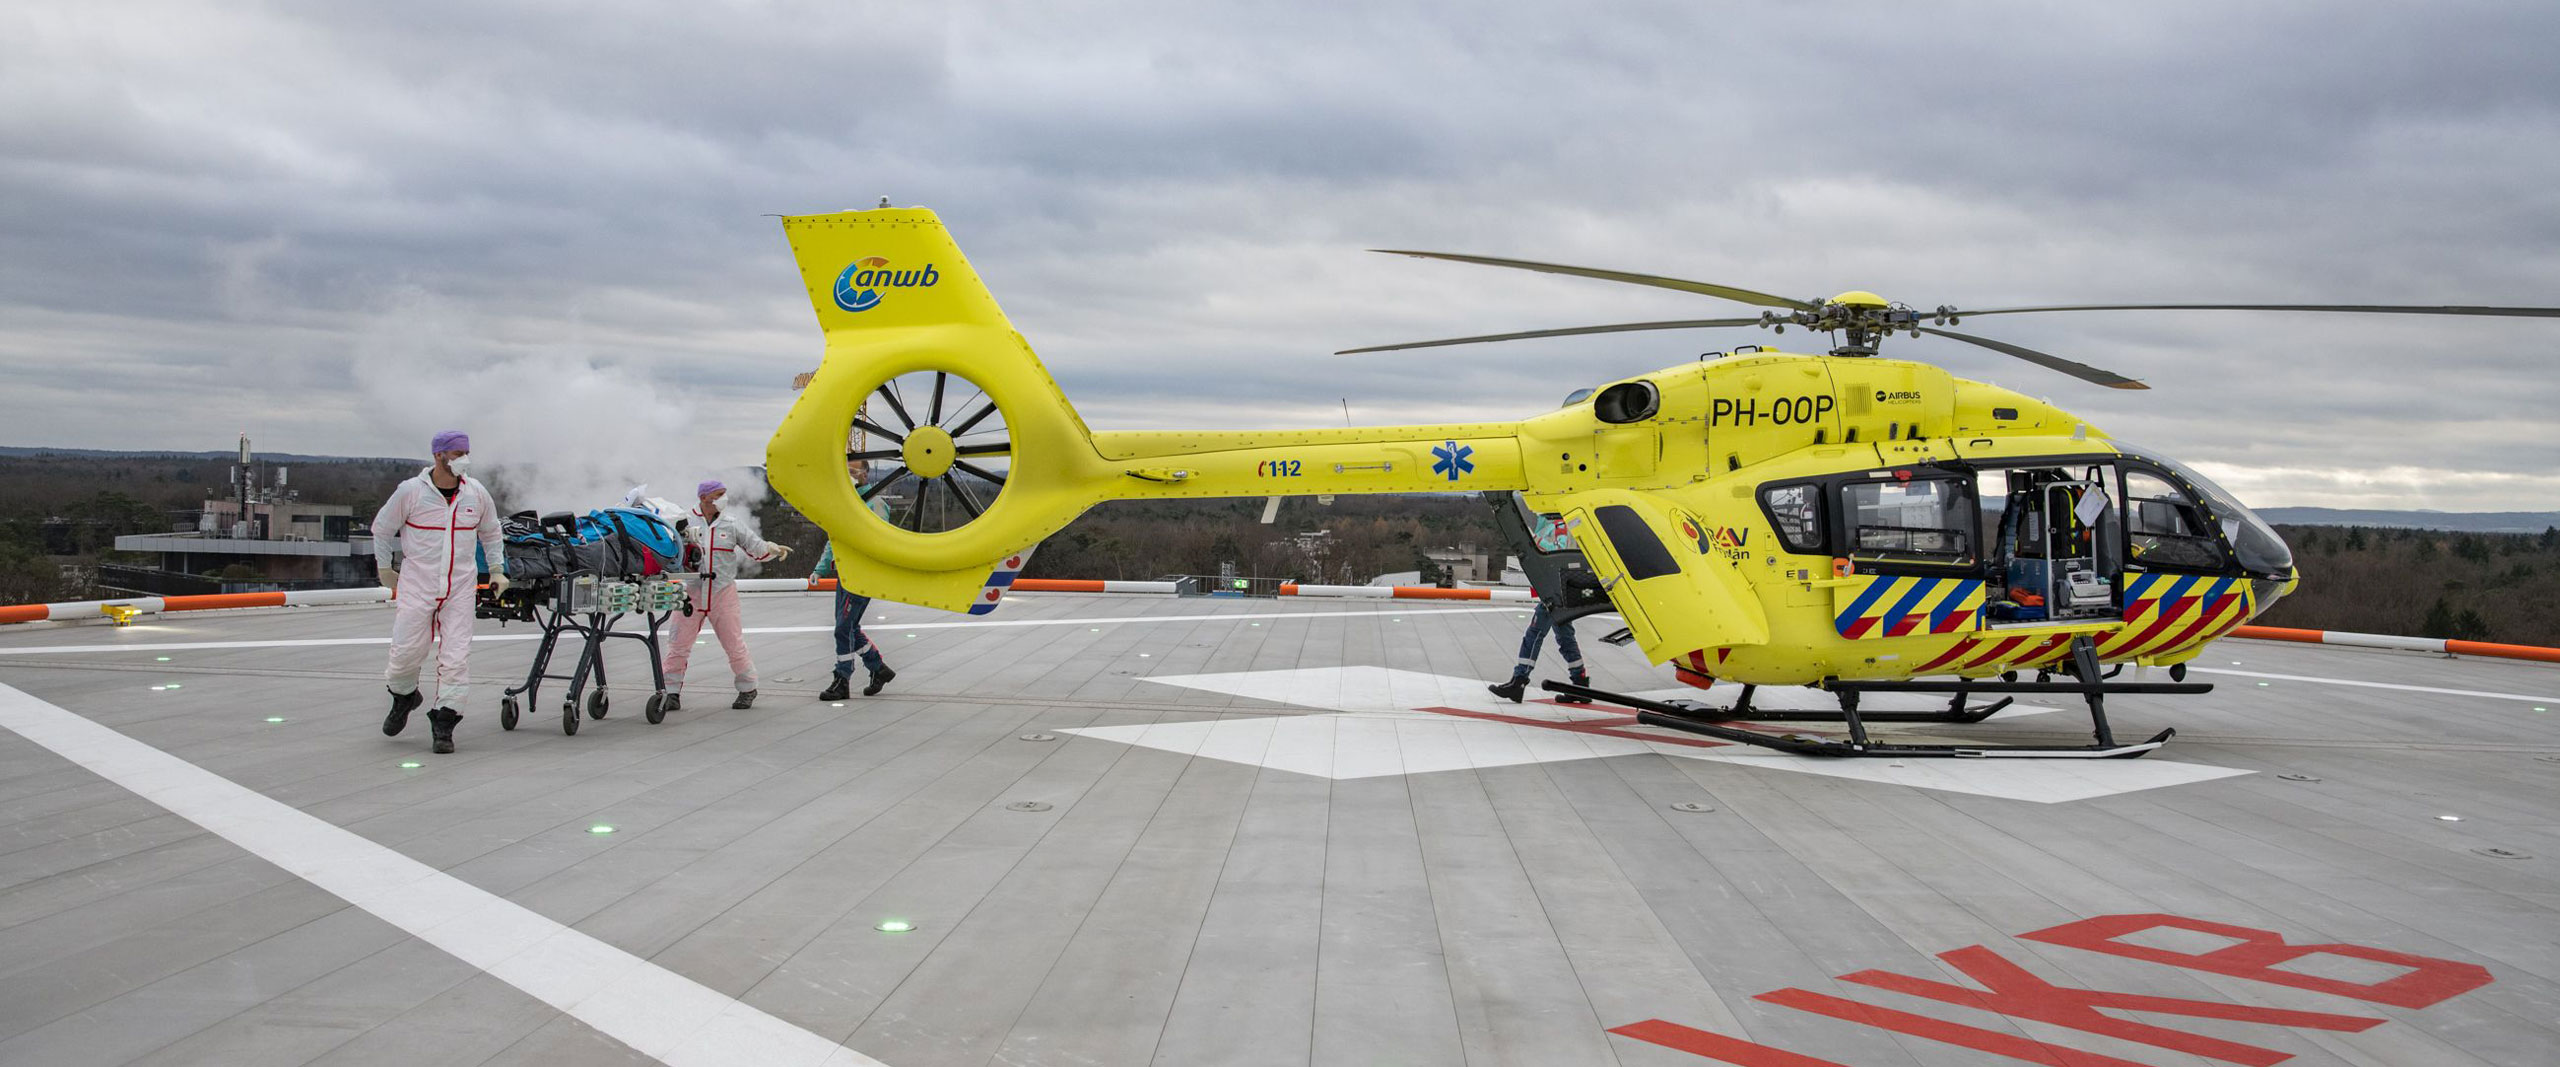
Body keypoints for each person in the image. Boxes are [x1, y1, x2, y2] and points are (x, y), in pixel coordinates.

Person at [373, 430, 507, 754]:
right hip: (418, 585)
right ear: (438, 456)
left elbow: (491, 532)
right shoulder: (411, 493)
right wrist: (384, 567)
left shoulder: (476, 495)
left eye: (466, 452)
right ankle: (404, 696)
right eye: (457, 453)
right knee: (405, 653)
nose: (464, 459)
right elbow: (381, 528)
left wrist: (498, 569)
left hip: (459, 587)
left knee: (456, 657)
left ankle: (445, 722)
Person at [663, 479, 789, 712]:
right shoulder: (684, 521)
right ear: (704, 498)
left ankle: (747, 688)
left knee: (734, 644)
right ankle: (670, 692)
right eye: (719, 494)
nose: (724, 498)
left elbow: (754, 546)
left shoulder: (732, 524)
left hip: (722, 592)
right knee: (678, 643)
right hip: (691, 592)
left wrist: (772, 549)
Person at [810, 457, 896, 700]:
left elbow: (881, 540)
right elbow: (833, 541)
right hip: (846, 575)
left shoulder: (875, 504)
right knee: (850, 628)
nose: (849, 474)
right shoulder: (845, 505)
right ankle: (879, 669)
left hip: (862, 577)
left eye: (853, 470)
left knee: (843, 629)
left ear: (865, 475)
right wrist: (821, 569)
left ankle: (842, 679)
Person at [1488, 506, 1591, 704]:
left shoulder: (1558, 526)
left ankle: (1519, 680)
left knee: (1534, 634)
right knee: (1565, 636)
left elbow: (1555, 551)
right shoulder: (1552, 525)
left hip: (1555, 591)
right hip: (1558, 589)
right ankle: (1580, 683)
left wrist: (1533, 539)